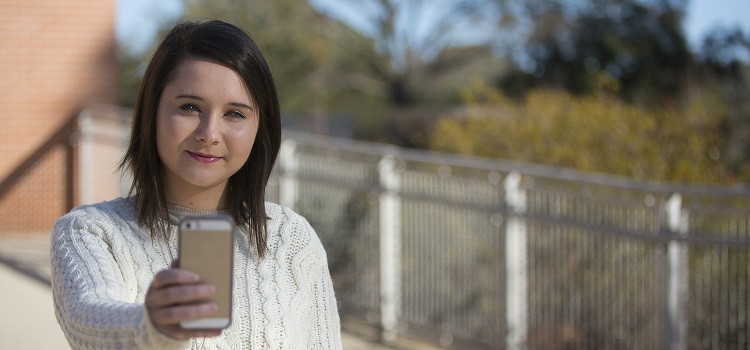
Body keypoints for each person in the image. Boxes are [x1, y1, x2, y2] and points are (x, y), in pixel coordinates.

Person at [50, 19, 342, 349]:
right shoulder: (89, 231)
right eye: (189, 107)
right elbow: (90, 318)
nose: (209, 133)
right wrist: (153, 325)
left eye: (235, 113)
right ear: (152, 113)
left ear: (261, 127)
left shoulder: (292, 237)